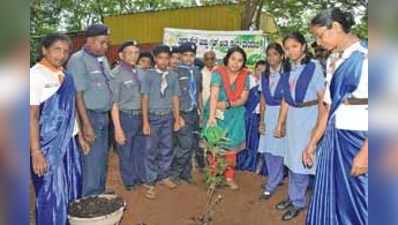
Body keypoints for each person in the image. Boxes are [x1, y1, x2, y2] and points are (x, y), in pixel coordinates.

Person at [304, 8, 368, 225]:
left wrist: (366, 153)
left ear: (337, 27)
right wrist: (313, 142)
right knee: (337, 199)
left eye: (320, 35)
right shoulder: (333, 60)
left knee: (362, 202)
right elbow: (328, 108)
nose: (318, 42)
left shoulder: (368, 57)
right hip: (336, 140)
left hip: (360, 141)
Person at [30, 33, 88, 225]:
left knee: (72, 188)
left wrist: (79, 138)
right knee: (50, 194)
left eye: (66, 51)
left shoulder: (66, 76)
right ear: (44, 50)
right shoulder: (34, 76)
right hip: (47, 145)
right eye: (57, 49)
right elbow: (31, 116)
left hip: (70, 143)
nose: (61, 55)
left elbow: (71, 111)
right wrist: (36, 152)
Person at [274, 32, 326, 221]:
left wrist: (319, 124)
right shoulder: (289, 69)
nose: (290, 51)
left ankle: (298, 202)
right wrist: (280, 123)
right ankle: (293, 196)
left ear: (303, 46)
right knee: (291, 159)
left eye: (294, 46)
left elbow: (322, 99)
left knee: (302, 160)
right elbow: (286, 100)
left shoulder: (314, 67)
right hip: (293, 118)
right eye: (287, 48)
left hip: (309, 116)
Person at [67, 24, 113, 196]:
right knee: (91, 159)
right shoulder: (77, 60)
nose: (105, 47)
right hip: (90, 116)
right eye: (102, 43)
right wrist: (85, 124)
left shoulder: (101, 59)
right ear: (90, 41)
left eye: (107, 43)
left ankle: (99, 190)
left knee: (101, 157)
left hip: (103, 115)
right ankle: (90, 196)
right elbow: (77, 95)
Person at [204, 46, 250, 190]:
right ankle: (214, 177)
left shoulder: (245, 75)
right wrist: (212, 117)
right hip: (215, 111)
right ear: (227, 59)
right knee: (214, 147)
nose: (236, 63)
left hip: (235, 115)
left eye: (240, 60)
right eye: (233, 59)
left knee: (231, 148)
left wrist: (229, 104)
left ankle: (229, 177)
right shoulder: (218, 72)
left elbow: (243, 99)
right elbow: (214, 95)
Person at [141, 45, 184, 199]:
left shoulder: (172, 76)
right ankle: (150, 180)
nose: (164, 61)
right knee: (150, 149)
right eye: (160, 58)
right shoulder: (148, 75)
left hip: (167, 117)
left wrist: (177, 118)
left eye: (167, 58)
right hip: (153, 117)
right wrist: (145, 122)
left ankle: (164, 175)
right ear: (155, 59)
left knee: (167, 147)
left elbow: (175, 98)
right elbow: (144, 98)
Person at [110, 40, 146, 191]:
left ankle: (138, 177)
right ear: (121, 55)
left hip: (140, 116)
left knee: (139, 149)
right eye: (130, 53)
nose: (133, 56)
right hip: (125, 117)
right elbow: (114, 103)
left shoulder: (141, 72)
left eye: (136, 53)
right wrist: (117, 128)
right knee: (125, 150)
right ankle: (129, 181)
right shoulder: (115, 74)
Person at [257, 43, 289, 199]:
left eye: (275, 54)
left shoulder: (289, 74)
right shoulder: (264, 74)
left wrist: (281, 123)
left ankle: (273, 182)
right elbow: (262, 98)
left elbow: (288, 99)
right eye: (269, 55)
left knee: (279, 150)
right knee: (268, 149)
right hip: (268, 113)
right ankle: (274, 178)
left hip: (285, 114)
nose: (271, 58)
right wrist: (261, 120)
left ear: (282, 56)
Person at [170, 42, 202, 184]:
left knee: (193, 144)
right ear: (180, 57)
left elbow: (199, 93)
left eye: (191, 55)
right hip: (182, 113)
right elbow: (174, 97)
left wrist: (200, 112)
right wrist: (177, 117)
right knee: (185, 144)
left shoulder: (196, 71)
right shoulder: (175, 72)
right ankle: (174, 173)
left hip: (194, 112)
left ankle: (186, 173)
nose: (189, 58)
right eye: (185, 55)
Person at [237, 60, 266, 173]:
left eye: (264, 71)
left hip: (260, 117)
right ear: (255, 70)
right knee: (246, 141)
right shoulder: (249, 81)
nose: (261, 73)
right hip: (248, 116)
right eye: (259, 70)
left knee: (257, 143)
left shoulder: (267, 83)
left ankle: (254, 165)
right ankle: (243, 164)